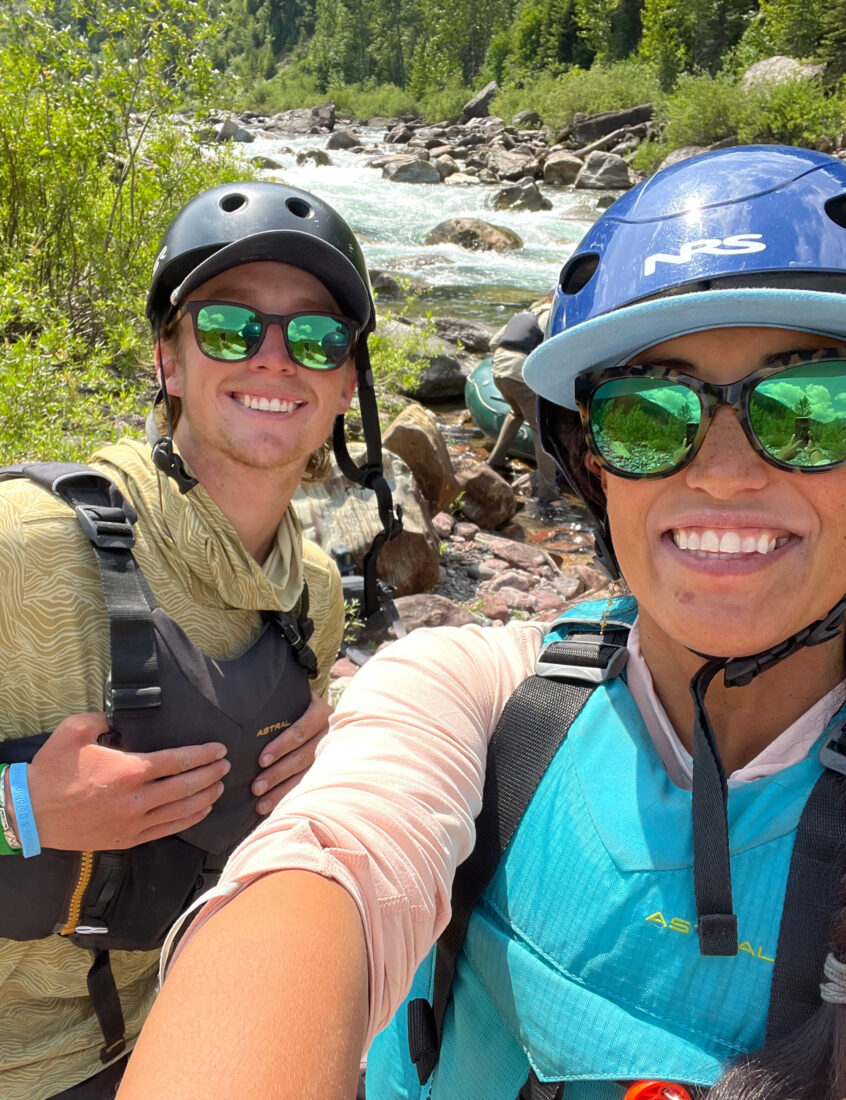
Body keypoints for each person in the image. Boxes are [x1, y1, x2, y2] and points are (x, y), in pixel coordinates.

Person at [119, 144, 846, 1100]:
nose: (722, 473)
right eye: (648, 417)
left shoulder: (312, 590)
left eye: (810, 410)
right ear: (590, 464)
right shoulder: (481, 690)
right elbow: (327, 865)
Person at [0, 179, 388, 1099]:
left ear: (345, 383)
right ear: (170, 361)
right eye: (229, 327)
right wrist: (22, 807)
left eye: (318, 338)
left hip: (179, 1030)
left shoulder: (316, 595)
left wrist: (335, 757)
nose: (274, 360)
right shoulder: (23, 548)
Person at [485, 295, 559, 503]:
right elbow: (548, 350)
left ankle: (495, 460)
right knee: (541, 429)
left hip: (498, 370)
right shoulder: (549, 316)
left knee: (515, 414)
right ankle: (548, 492)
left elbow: (493, 342)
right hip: (518, 372)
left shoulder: (524, 314)